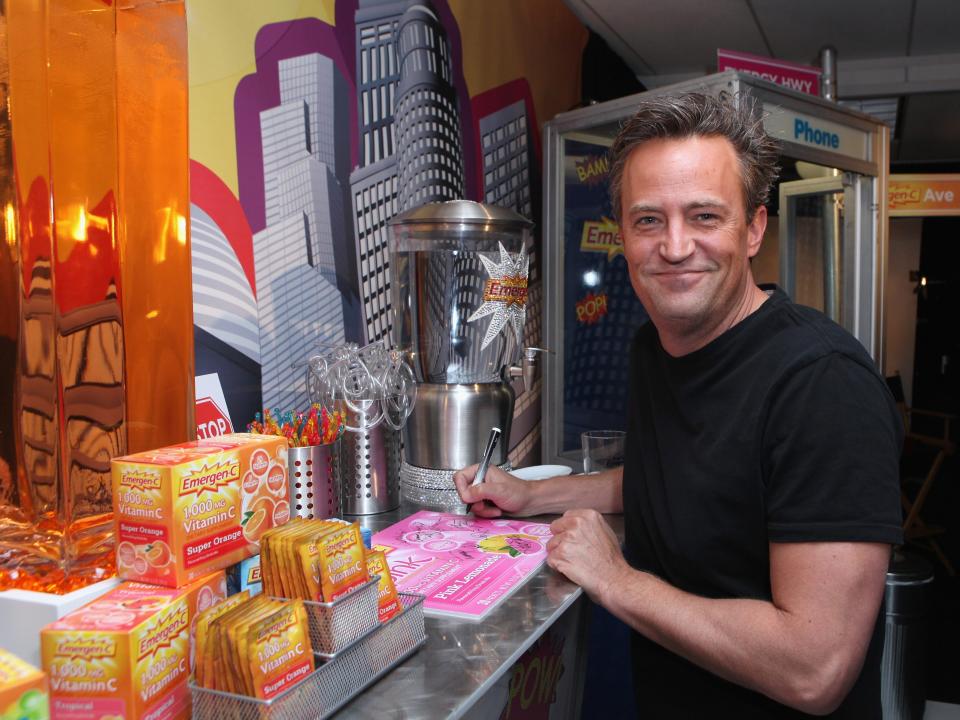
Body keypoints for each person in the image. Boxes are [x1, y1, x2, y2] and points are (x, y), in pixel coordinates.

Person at [454, 92, 903, 718]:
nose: (673, 246)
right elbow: (667, 482)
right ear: (623, 236)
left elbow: (814, 667)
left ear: (752, 230)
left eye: (704, 217)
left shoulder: (822, 386)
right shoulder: (655, 347)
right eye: (648, 220)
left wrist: (616, 579)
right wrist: (530, 496)